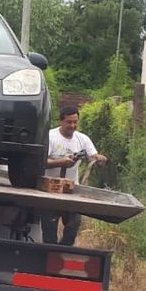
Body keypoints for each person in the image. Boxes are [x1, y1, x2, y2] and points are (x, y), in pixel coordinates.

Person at [42, 105, 107, 245]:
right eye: (69, 122)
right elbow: (40, 162)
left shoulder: (82, 139)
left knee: (73, 226)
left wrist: (99, 160)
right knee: (49, 232)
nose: (72, 125)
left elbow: (93, 156)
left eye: (75, 122)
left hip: (72, 190)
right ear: (61, 121)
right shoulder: (50, 137)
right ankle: (49, 252)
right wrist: (60, 162)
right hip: (50, 191)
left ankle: (63, 252)